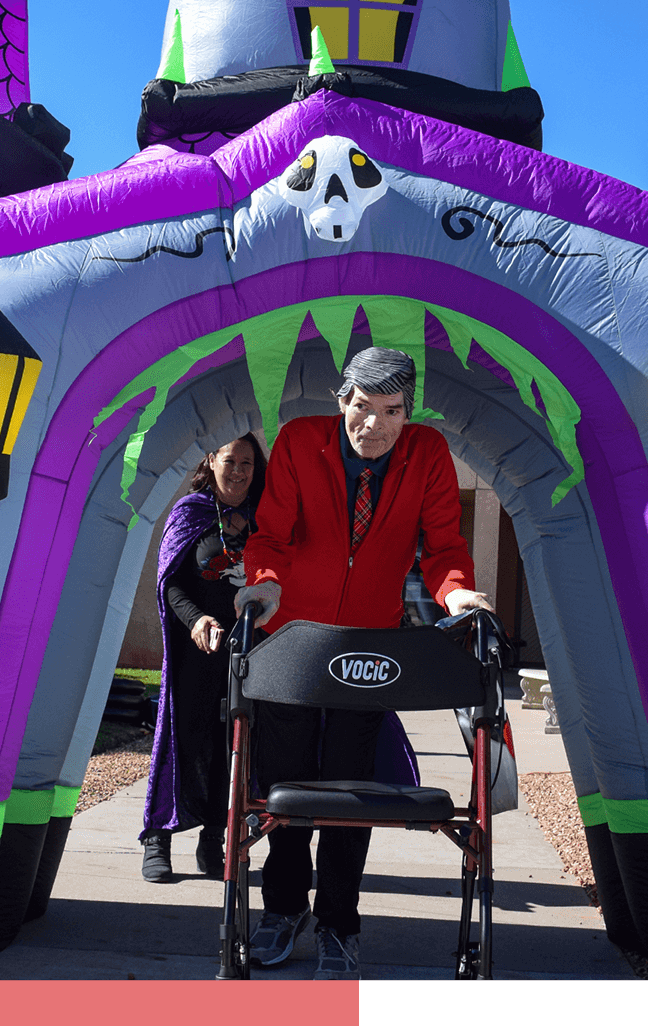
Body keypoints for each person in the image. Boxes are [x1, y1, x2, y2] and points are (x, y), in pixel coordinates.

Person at [233, 347, 494, 979]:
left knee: (352, 791)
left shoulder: (427, 455)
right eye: (359, 406)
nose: (371, 423)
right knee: (286, 789)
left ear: (408, 414)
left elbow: (444, 546)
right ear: (339, 399)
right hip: (292, 642)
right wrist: (263, 584)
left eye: (389, 411)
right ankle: (283, 908)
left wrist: (456, 591)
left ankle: (340, 923)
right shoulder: (299, 442)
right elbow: (270, 536)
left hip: (370, 649)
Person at [140, 434, 266, 882]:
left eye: (247, 463)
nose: (238, 471)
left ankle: (213, 839)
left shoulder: (264, 518)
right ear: (211, 461)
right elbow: (170, 583)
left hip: (246, 655)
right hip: (196, 651)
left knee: (230, 748)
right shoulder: (189, 512)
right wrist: (196, 621)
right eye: (230, 460)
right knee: (182, 740)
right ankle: (158, 836)